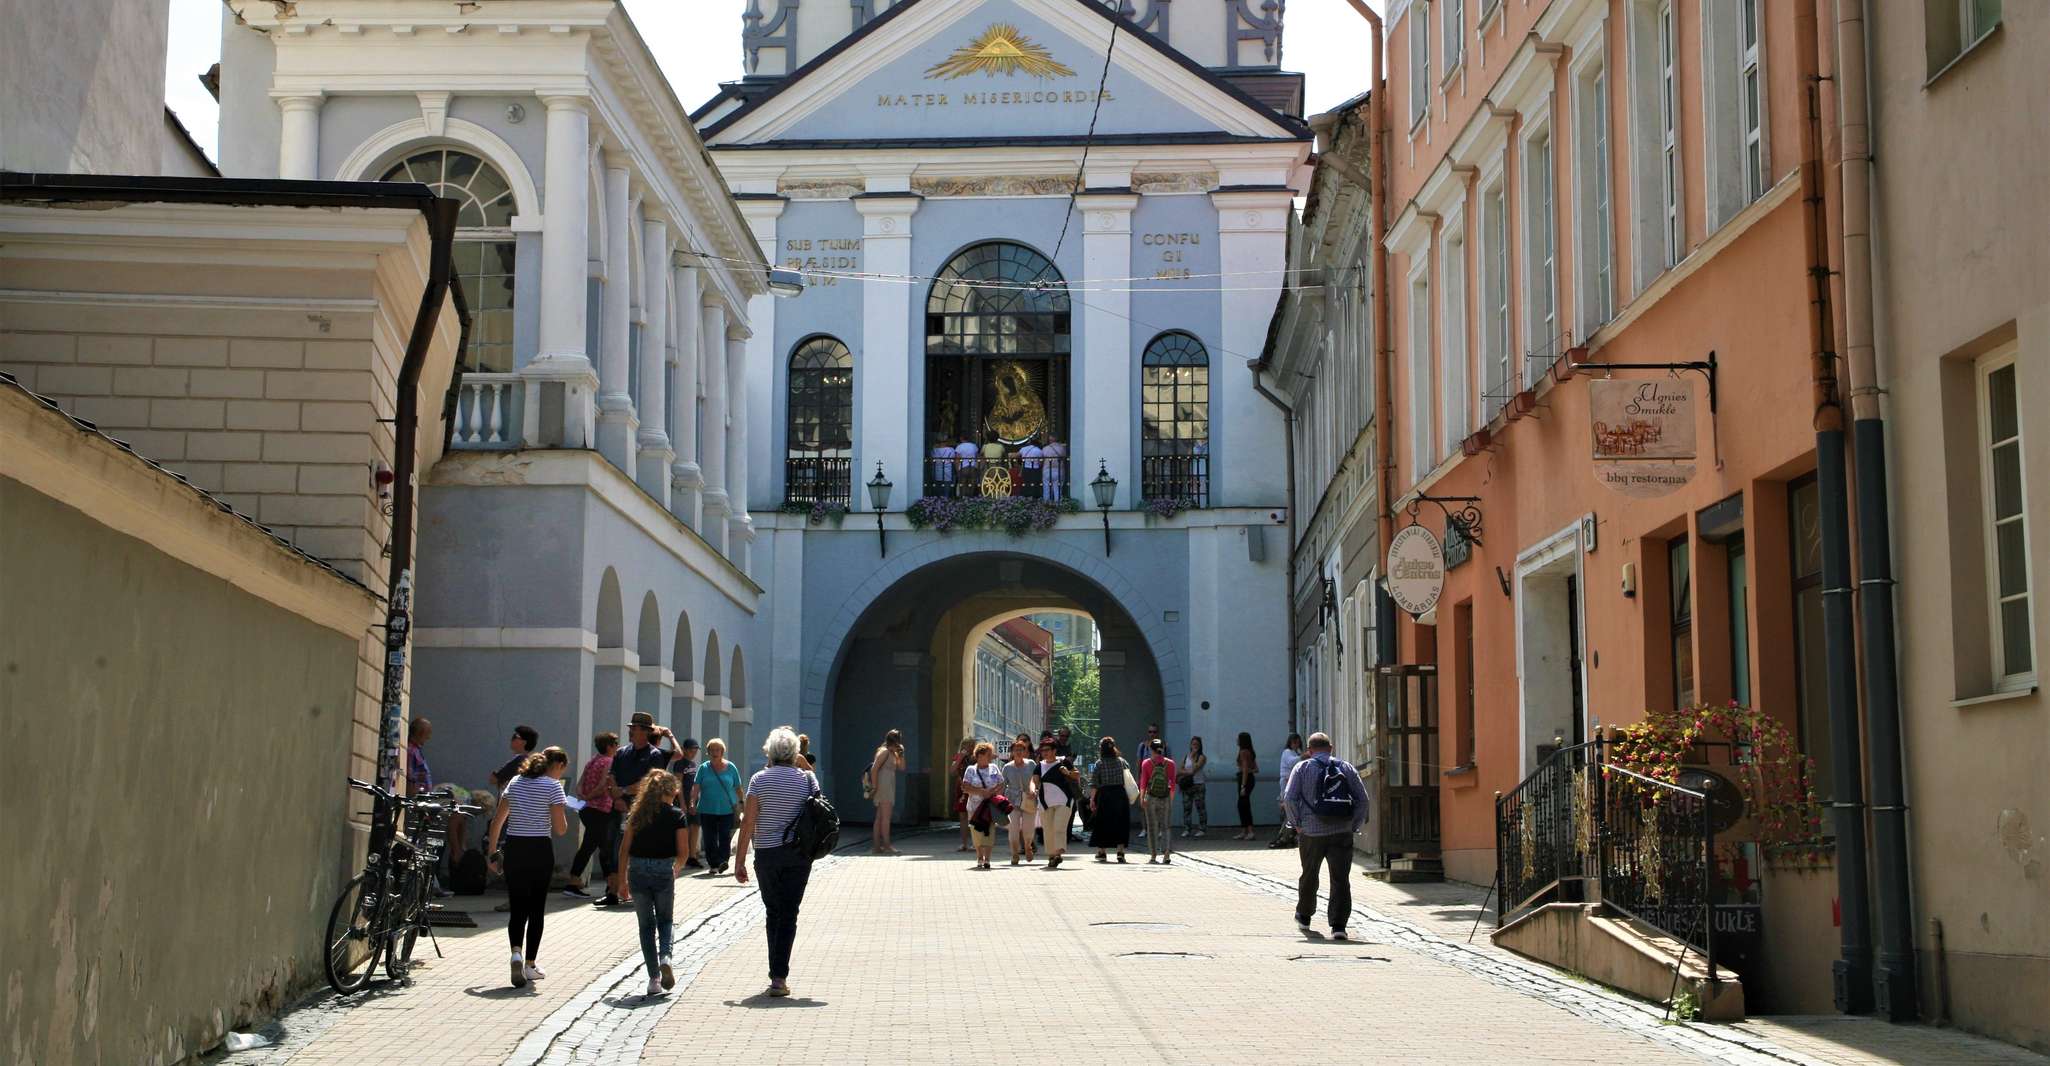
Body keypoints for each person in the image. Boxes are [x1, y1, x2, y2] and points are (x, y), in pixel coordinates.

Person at [733, 726, 821, 998]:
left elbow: (748, 822)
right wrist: (808, 768)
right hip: (798, 854)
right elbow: (820, 810)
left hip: (767, 854)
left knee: (773, 912)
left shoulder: (759, 780)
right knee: (789, 912)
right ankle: (779, 976)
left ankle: (776, 974)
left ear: (770, 752)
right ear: (795, 753)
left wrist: (739, 862)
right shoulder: (807, 779)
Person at [485, 746, 569, 988]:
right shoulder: (553, 787)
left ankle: (515, 953)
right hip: (540, 849)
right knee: (536, 909)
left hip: (515, 848)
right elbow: (560, 829)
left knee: (518, 906)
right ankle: (530, 965)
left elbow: (498, 820)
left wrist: (492, 853)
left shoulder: (515, 783)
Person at [1282, 732, 1369, 940]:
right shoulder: (1346, 768)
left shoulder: (1302, 768)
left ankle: (1304, 915)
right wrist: (1354, 825)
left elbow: (1289, 798)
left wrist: (1297, 824)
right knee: (1340, 878)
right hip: (1341, 832)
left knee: (1309, 874)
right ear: (1331, 748)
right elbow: (1363, 800)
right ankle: (1339, 926)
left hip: (1311, 832)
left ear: (1310, 751)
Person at [618, 769, 688, 997]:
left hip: (637, 871)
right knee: (666, 921)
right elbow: (683, 852)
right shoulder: (677, 815)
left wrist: (621, 881)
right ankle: (666, 957)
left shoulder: (636, 814)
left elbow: (624, 849)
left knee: (646, 927)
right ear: (673, 791)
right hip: (662, 870)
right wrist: (675, 869)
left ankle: (653, 979)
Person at [607, 712, 681, 905]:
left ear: (645, 732)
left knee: (636, 848)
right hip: (619, 806)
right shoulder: (622, 752)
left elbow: (648, 783)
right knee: (614, 849)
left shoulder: (654, 755)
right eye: (631, 727)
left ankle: (634, 888)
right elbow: (612, 775)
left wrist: (622, 791)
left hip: (642, 809)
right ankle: (613, 890)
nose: (631, 731)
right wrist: (616, 795)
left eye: (635, 728)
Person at [564, 732, 619, 898]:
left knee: (593, 845)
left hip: (587, 810)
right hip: (601, 810)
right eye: (615, 744)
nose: (617, 747)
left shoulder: (592, 761)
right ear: (609, 746)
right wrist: (590, 796)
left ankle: (606, 883)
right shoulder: (609, 761)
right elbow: (604, 785)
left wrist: (583, 796)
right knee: (603, 848)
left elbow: (579, 783)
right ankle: (609, 885)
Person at [693, 738, 744, 875]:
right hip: (706, 809)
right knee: (709, 838)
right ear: (708, 752)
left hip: (726, 809)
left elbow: (738, 787)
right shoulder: (703, 768)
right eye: (712, 750)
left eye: (718, 750)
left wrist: (742, 802)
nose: (715, 752)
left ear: (722, 752)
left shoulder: (731, 767)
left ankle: (723, 861)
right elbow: (696, 786)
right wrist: (693, 802)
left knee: (724, 836)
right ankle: (713, 864)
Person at [1037, 740, 1083, 869]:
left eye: (1047, 750)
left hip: (1064, 801)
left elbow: (1077, 775)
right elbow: (1034, 780)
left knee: (1059, 827)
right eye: (1043, 750)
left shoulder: (1064, 762)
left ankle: (1058, 854)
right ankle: (1052, 855)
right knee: (1048, 829)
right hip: (1045, 802)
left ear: (1054, 751)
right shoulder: (1039, 765)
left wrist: (1067, 772)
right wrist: (1032, 789)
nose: (1044, 753)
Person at [1089, 737, 1132, 863]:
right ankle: (1120, 852)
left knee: (1103, 823)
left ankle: (1102, 852)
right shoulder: (1122, 762)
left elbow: (1094, 783)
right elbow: (1128, 779)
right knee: (1120, 823)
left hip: (1104, 795)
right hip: (1120, 794)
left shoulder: (1099, 763)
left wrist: (1092, 799)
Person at [961, 741, 1003, 870]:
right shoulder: (971, 769)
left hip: (990, 806)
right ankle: (979, 856)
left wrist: (993, 793)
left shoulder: (994, 768)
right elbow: (965, 787)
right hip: (974, 807)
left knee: (989, 832)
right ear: (979, 755)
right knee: (977, 833)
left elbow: (1001, 784)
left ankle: (988, 859)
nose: (991, 756)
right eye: (988, 754)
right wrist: (981, 792)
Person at [1000, 738, 1041, 865]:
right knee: (1014, 828)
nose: (1018, 752)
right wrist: (998, 800)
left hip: (1028, 799)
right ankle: (1014, 853)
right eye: (1016, 750)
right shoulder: (1007, 767)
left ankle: (1028, 846)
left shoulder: (1031, 764)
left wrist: (1034, 790)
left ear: (1025, 752)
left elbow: (1035, 780)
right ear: (1011, 752)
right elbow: (1003, 785)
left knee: (1028, 828)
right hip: (1013, 800)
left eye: (1021, 750)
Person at [867, 730, 906, 854]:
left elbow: (902, 767)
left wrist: (901, 754)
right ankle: (887, 845)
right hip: (883, 786)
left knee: (880, 817)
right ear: (895, 741)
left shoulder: (892, 753)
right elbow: (874, 769)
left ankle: (877, 846)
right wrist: (874, 787)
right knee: (885, 818)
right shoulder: (884, 752)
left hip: (887, 785)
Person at [1138, 739, 1177, 864]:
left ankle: (1153, 856)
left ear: (1151, 749)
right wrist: (1170, 800)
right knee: (1165, 826)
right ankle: (1166, 854)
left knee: (1152, 827)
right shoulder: (1170, 763)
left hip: (1151, 797)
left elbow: (1143, 783)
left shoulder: (1146, 763)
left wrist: (1142, 798)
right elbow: (1173, 784)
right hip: (1165, 797)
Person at [668, 738, 704, 869]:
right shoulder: (680, 763)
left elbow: (695, 784)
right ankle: (683, 855)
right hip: (683, 800)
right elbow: (678, 784)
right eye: (691, 749)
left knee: (695, 826)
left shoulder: (693, 764)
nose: (693, 752)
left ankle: (692, 856)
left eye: (695, 749)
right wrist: (682, 803)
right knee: (685, 828)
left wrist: (694, 800)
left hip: (694, 800)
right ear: (684, 749)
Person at [1270, 733, 1304, 849]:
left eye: (1298, 742)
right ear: (1290, 743)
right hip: (1286, 782)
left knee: (1292, 810)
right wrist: (1303, 757)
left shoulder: (1297, 752)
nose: (1296, 744)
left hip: (1294, 782)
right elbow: (1291, 763)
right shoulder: (1287, 753)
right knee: (1288, 806)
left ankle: (1288, 836)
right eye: (1294, 742)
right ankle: (1283, 836)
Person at [1180, 736, 1209, 838]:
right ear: (1190, 745)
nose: (1194, 746)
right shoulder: (1186, 756)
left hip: (1198, 785)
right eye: (1193, 744)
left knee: (1200, 808)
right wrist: (1188, 771)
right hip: (1187, 786)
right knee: (1186, 808)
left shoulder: (1202, 757)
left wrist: (1192, 758)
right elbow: (1180, 770)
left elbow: (1195, 769)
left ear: (1200, 745)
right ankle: (1187, 829)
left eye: (1196, 744)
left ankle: (1202, 829)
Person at [950, 738, 975, 852]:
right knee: (963, 816)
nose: (970, 748)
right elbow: (952, 771)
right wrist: (960, 757)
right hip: (961, 789)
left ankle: (976, 843)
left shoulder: (976, 758)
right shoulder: (958, 757)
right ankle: (964, 843)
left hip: (975, 789)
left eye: (972, 746)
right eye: (968, 746)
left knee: (975, 816)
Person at [1234, 732, 1259, 840]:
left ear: (1242, 740)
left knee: (1243, 805)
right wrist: (1249, 770)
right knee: (1243, 804)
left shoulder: (1243, 752)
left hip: (1245, 779)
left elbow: (1244, 769)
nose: (1236, 740)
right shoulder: (1250, 752)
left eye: (1238, 738)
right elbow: (1256, 769)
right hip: (1250, 778)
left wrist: (1243, 786)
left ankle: (1249, 831)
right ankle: (1244, 831)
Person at [406, 717, 434, 795]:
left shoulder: (415, 750)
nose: (428, 737)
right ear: (420, 733)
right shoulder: (411, 751)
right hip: (415, 798)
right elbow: (409, 777)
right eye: (428, 733)